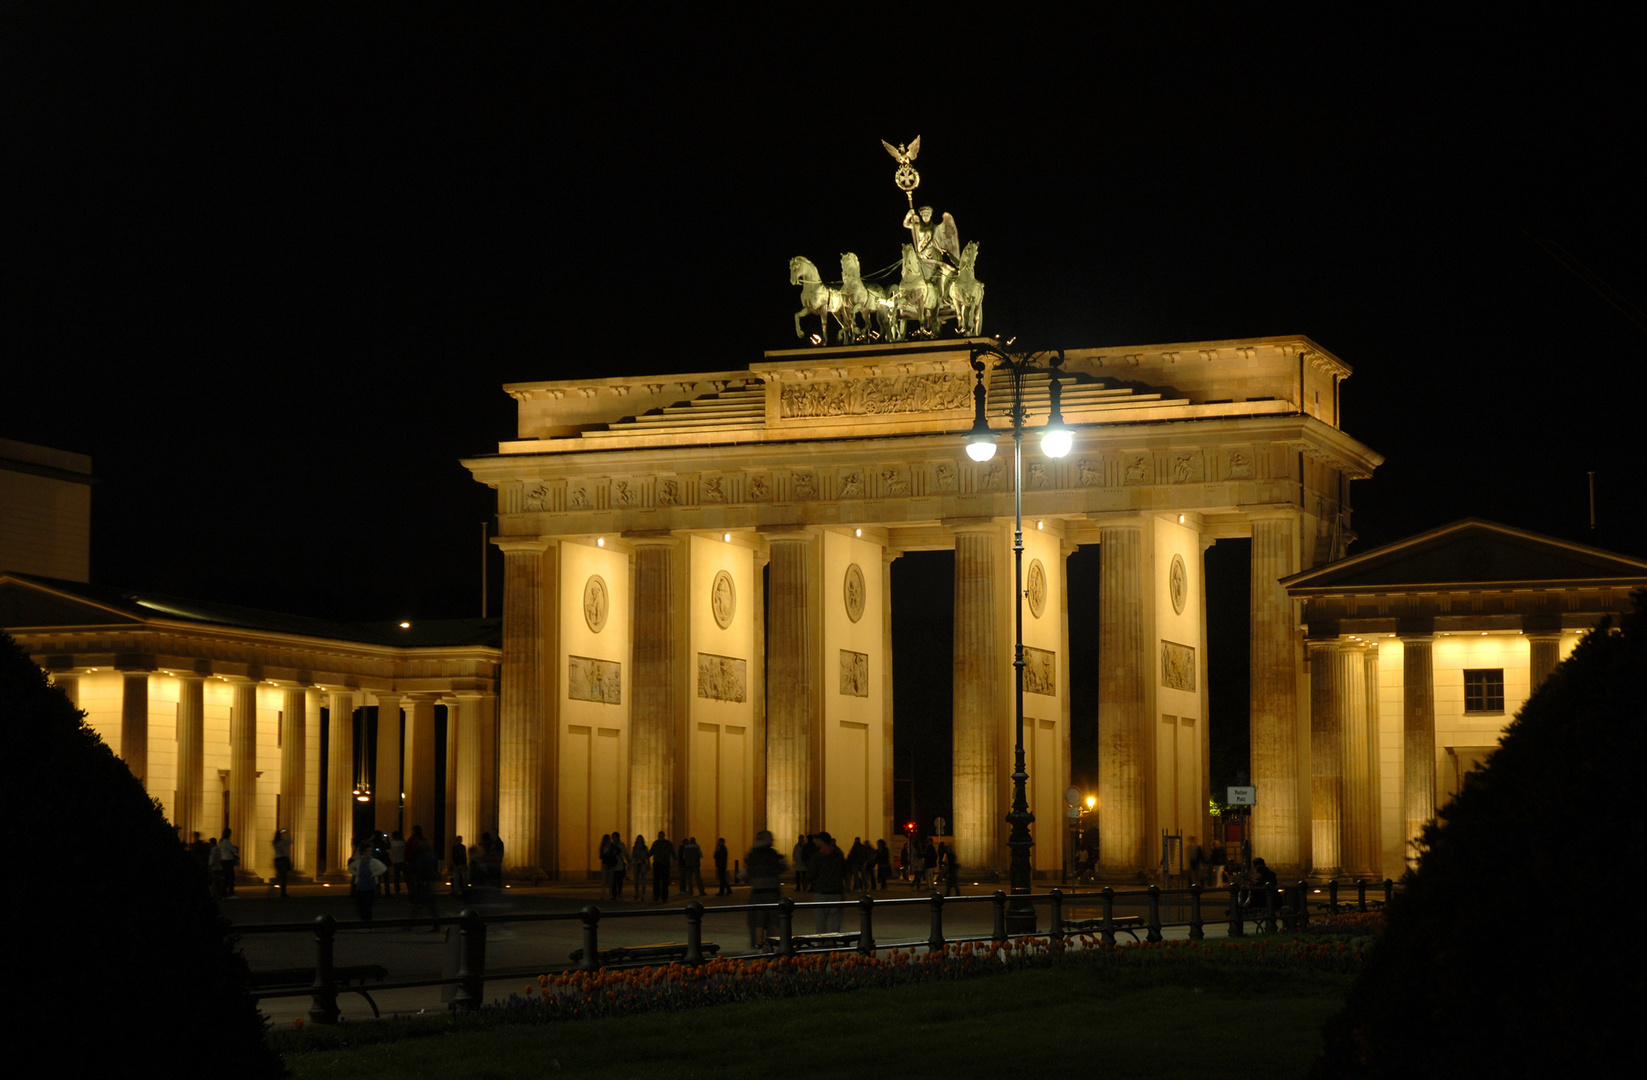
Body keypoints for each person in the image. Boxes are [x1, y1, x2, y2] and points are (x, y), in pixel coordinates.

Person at [744, 830, 786, 949]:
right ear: (766, 839)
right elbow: (779, 869)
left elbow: (749, 873)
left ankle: (759, 947)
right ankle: (773, 946)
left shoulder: (752, 855)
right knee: (774, 921)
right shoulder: (772, 853)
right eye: (771, 838)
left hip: (757, 892)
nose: (773, 840)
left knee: (758, 922)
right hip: (772, 892)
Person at [807, 831, 847, 933]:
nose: (815, 842)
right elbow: (844, 871)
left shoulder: (817, 856)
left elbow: (811, 873)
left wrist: (810, 882)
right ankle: (832, 942)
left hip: (821, 891)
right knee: (835, 920)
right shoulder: (838, 854)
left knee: (820, 921)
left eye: (817, 840)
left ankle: (822, 943)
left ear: (822, 841)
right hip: (836, 891)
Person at [347, 840, 386, 923]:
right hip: (361, 885)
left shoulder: (373, 861)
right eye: (367, 851)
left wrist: (373, 874)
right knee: (361, 905)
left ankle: (367, 923)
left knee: (368, 906)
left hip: (369, 885)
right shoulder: (359, 861)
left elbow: (383, 868)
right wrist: (357, 874)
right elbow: (350, 867)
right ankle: (365, 922)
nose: (369, 853)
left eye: (370, 851)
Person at [651, 831, 675, 902]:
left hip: (665, 864)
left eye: (661, 835)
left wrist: (675, 859)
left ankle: (664, 896)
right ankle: (657, 895)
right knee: (657, 881)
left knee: (664, 881)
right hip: (658, 864)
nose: (660, 836)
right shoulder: (656, 843)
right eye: (659, 835)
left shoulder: (667, 843)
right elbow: (651, 851)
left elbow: (672, 852)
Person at [216, 829, 239, 898]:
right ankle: (231, 893)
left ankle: (223, 893)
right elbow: (234, 850)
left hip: (223, 860)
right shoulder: (226, 841)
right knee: (231, 877)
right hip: (228, 860)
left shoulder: (221, 842)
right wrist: (235, 849)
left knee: (225, 877)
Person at [270, 829, 292, 898]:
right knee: (284, 877)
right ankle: (283, 892)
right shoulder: (283, 842)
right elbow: (290, 841)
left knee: (279, 875)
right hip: (283, 859)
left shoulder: (275, 842)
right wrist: (287, 833)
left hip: (277, 859)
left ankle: (276, 889)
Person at [609, 831, 628, 899]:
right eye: (612, 837)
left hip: (620, 864)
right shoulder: (611, 845)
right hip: (613, 865)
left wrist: (628, 861)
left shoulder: (621, 845)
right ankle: (614, 894)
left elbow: (625, 853)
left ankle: (619, 892)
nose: (613, 838)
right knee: (613, 881)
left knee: (619, 880)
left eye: (614, 837)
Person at [631, 835, 650, 900]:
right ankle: (637, 892)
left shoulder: (645, 848)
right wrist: (631, 863)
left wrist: (649, 864)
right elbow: (632, 856)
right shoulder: (635, 847)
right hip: (636, 864)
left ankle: (643, 894)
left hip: (643, 864)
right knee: (636, 880)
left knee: (643, 880)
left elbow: (647, 856)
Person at [389, 830, 407, 894]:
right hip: (402, 860)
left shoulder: (392, 843)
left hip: (395, 861)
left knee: (396, 876)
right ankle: (410, 887)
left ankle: (397, 889)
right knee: (406, 875)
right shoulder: (402, 842)